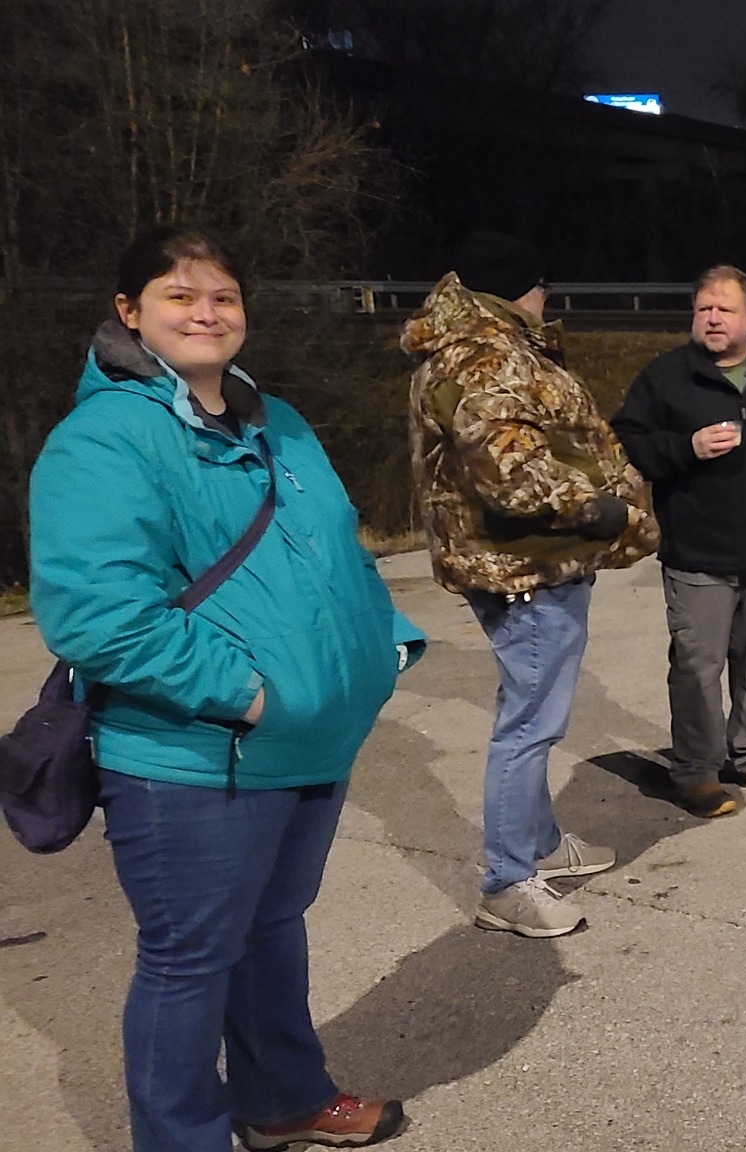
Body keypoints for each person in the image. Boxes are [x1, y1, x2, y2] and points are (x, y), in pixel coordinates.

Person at [28, 225, 425, 1150]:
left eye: (224, 296)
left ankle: (282, 1099)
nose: (206, 312)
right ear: (130, 313)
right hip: (194, 756)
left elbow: (342, 550)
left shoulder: (278, 420)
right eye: (180, 295)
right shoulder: (105, 440)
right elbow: (98, 616)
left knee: (274, 927)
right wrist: (250, 695)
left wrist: (384, 647)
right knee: (189, 962)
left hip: (309, 744)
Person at [403, 231, 658, 939]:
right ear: (524, 290)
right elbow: (511, 470)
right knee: (530, 724)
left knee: (532, 709)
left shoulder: (474, 345)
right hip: (526, 566)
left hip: (522, 561)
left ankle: (540, 844)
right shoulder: (487, 356)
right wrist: (601, 510)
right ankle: (508, 881)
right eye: (543, 288)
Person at [611, 265, 746, 818]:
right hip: (699, 551)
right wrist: (685, 447)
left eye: (725, 309)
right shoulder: (666, 378)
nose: (712, 318)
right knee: (697, 667)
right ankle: (696, 772)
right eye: (704, 308)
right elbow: (626, 443)